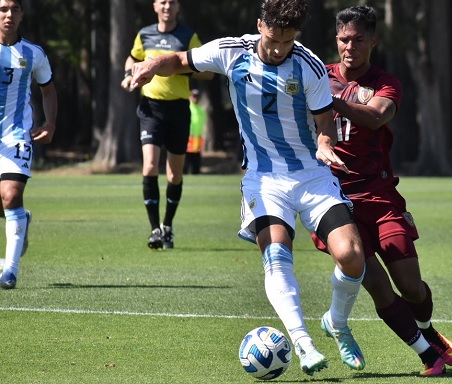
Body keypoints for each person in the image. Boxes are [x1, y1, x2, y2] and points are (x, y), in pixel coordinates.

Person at [130, 0, 366, 376]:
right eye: (272, 40)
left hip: (311, 175)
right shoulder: (231, 51)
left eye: (286, 43)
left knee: (352, 255)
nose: (277, 50)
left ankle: (336, 322)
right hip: (264, 178)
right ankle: (302, 343)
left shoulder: (309, 66)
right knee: (277, 253)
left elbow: (324, 122)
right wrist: (149, 65)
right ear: (260, 25)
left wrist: (325, 144)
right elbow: (179, 60)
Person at [309, 6, 452, 376]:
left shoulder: (385, 82)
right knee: (376, 284)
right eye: (344, 39)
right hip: (334, 201)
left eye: (359, 39)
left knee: (410, 286)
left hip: (379, 197)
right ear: (336, 40)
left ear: (373, 41)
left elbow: (376, 115)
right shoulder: (317, 75)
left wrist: (328, 101)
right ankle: (428, 356)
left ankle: (426, 329)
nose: (350, 46)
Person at [120, 0, 213, 250]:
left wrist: (177, 67)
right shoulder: (145, 34)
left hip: (178, 109)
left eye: (172, 2)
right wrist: (129, 76)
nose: (167, 6)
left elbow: (209, 71)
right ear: (155, 6)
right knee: (149, 166)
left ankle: (167, 227)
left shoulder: (188, 36)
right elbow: (132, 59)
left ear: (178, 7)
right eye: (162, 2)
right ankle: (154, 230)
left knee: (175, 173)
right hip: (151, 108)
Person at [0, 0, 57, 289]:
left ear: (22, 14)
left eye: (14, 9)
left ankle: (9, 270)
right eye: (2, 9)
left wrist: (49, 123)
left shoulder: (33, 54)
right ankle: (23, 219)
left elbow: (48, 90)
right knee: (6, 205)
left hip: (16, 135)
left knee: (10, 195)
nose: (9, 15)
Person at [185, 89, 206, 175]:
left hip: (198, 137)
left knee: (196, 156)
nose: (195, 98)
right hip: (188, 136)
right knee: (187, 156)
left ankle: (196, 173)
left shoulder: (201, 110)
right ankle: (185, 172)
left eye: (197, 96)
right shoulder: (187, 107)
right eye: (193, 96)